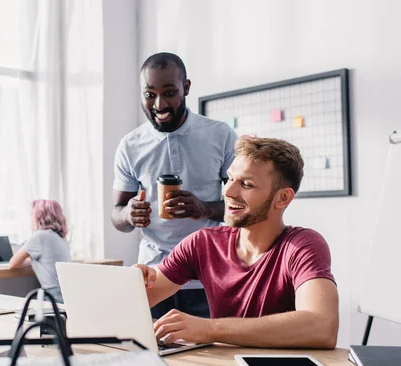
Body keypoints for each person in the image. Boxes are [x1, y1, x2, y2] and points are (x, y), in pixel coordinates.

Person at [135, 137, 339, 349]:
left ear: (283, 198)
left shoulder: (303, 246)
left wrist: (210, 329)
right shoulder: (202, 242)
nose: (229, 192)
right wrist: (133, 284)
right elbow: (136, 301)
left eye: (246, 184)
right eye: (230, 179)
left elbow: (322, 327)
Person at [112, 52, 238, 319]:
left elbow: (244, 207)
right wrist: (128, 214)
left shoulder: (221, 135)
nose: (159, 104)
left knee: (211, 356)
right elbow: (116, 215)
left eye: (169, 92)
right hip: (153, 275)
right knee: (153, 356)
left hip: (208, 275)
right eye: (150, 94)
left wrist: (203, 207)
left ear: (186, 88)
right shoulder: (130, 145)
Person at [9, 199, 70, 303]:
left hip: (53, 296)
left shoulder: (39, 236)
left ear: (38, 217)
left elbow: (13, 263)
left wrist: (32, 260)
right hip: (67, 294)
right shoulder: (61, 238)